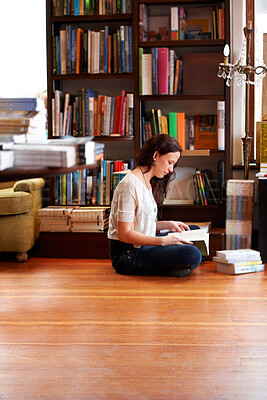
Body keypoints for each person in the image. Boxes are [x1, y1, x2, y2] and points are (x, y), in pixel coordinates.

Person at [108, 134, 202, 277]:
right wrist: (163, 241)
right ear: (155, 155)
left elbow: (139, 223)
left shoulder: (147, 182)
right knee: (192, 253)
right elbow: (124, 234)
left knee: (194, 231)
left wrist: (166, 224)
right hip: (128, 255)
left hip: (145, 245)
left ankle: (173, 267)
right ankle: (174, 267)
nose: (171, 169)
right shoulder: (129, 185)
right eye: (169, 162)